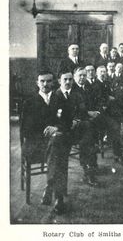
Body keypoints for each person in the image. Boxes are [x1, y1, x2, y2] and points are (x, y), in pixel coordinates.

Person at [21, 70, 69, 214]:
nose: (45, 84)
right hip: (35, 144)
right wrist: (45, 131)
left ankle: (51, 187)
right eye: (42, 81)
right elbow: (25, 130)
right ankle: (57, 196)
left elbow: (67, 122)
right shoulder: (29, 102)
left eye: (48, 81)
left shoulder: (60, 99)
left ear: (53, 83)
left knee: (57, 142)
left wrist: (56, 127)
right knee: (58, 150)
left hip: (55, 141)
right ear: (37, 83)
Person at [71, 67, 100, 186]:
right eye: (80, 75)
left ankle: (91, 164)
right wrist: (88, 113)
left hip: (88, 122)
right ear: (74, 77)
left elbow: (94, 103)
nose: (82, 77)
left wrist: (96, 112)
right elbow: (72, 110)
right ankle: (88, 170)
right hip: (75, 124)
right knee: (88, 133)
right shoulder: (72, 90)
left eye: (84, 75)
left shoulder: (88, 88)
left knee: (94, 125)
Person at [92, 66, 123, 163]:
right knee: (114, 126)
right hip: (99, 114)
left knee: (116, 125)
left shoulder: (106, 83)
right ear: (97, 74)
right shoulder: (94, 85)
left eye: (104, 72)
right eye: (101, 72)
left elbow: (111, 96)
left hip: (108, 112)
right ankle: (117, 154)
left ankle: (117, 153)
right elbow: (97, 101)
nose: (103, 73)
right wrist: (107, 101)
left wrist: (109, 100)